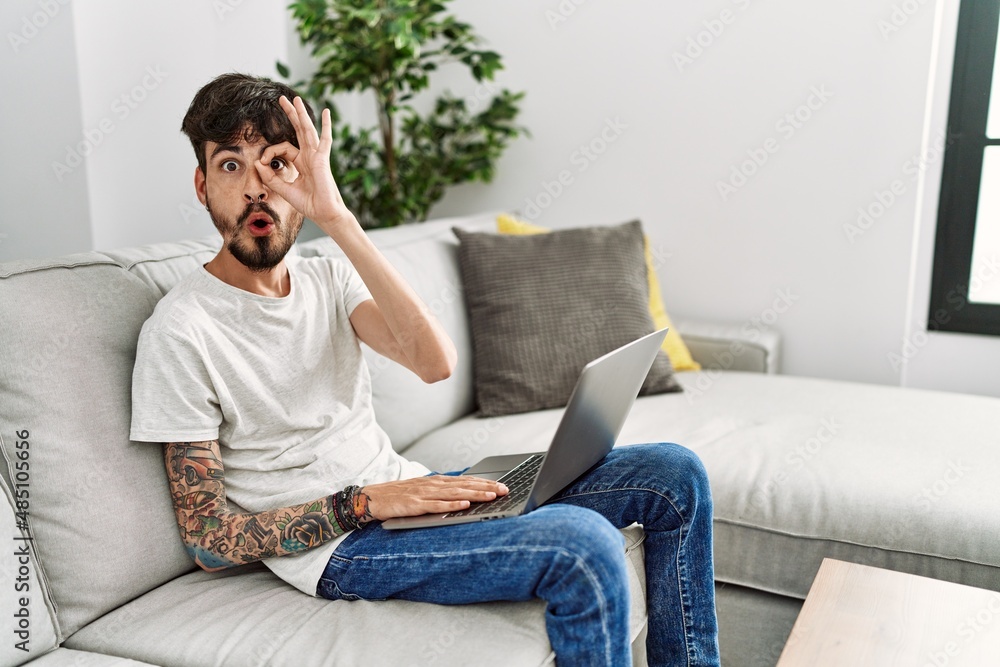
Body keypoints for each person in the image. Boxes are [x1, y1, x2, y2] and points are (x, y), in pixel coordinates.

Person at [129, 72, 720, 667]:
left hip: (409, 494)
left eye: (277, 164)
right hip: (342, 546)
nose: (257, 189)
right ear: (203, 186)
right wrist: (364, 504)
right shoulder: (181, 332)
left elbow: (434, 363)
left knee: (673, 475)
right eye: (232, 166)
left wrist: (337, 219)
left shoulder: (328, 277)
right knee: (583, 545)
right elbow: (208, 540)